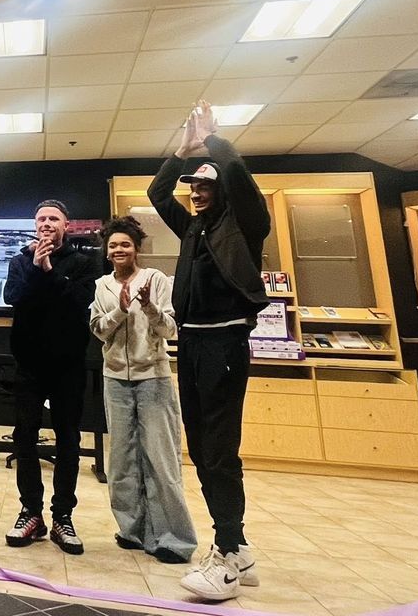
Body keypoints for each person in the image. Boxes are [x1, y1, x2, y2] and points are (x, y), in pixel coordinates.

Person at [148, 100, 270, 601]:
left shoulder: (245, 223)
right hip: (193, 341)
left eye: (205, 186)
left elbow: (237, 177)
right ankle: (238, 546)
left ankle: (227, 554)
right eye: (193, 187)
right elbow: (158, 194)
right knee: (200, 448)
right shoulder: (194, 226)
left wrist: (214, 140)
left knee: (218, 450)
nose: (196, 193)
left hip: (224, 341)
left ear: (222, 190)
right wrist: (182, 152)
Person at [90, 216, 197, 564]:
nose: (119, 250)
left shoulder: (156, 280)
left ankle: (173, 540)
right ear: (107, 251)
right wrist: (120, 310)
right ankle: (132, 530)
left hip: (153, 377)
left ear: (136, 248)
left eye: (125, 244)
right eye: (113, 245)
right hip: (114, 378)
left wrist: (148, 306)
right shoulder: (102, 285)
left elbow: (169, 329)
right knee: (122, 460)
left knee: (160, 459)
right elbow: (98, 329)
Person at [2, 200, 101, 554]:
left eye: (53, 218)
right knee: (24, 437)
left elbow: (78, 301)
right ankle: (31, 512)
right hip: (29, 364)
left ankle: (62, 516)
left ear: (66, 225)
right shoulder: (19, 262)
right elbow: (13, 297)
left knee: (68, 440)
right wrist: (35, 267)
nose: (46, 223)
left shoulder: (84, 263)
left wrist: (49, 270)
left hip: (68, 365)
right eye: (41, 218)